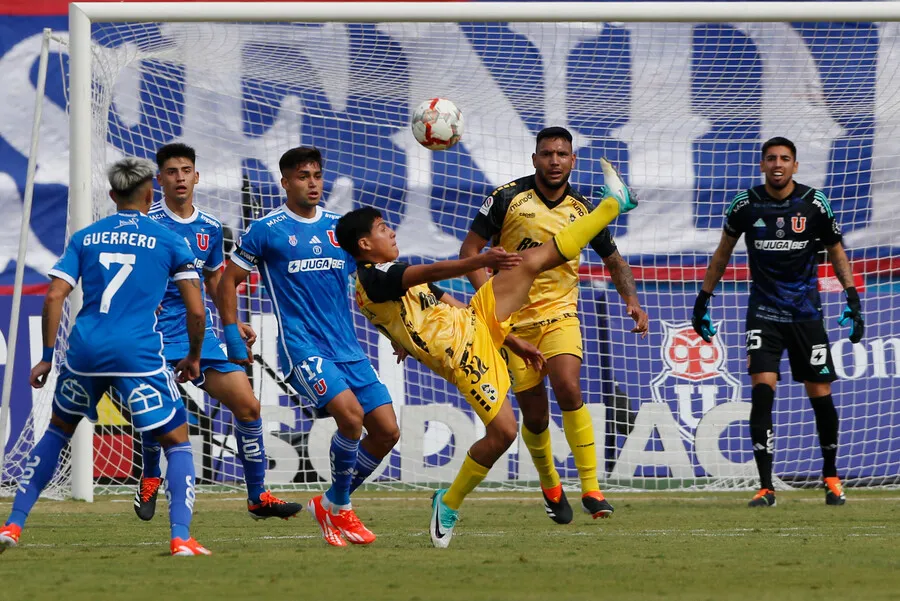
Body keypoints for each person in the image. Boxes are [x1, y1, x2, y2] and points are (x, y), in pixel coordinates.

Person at [336, 157, 637, 548]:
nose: (391, 232)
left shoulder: (383, 277)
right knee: (504, 434)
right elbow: (425, 275)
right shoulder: (375, 277)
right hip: (463, 359)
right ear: (364, 245)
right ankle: (448, 502)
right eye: (382, 229)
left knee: (533, 260)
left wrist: (510, 339)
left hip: (476, 323)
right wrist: (479, 260)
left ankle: (612, 205)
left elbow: (441, 301)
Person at [0, 158, 212, 556]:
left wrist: (47, 356)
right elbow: (196, 311)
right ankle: (181, 536)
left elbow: (54, 296)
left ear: (112, 196)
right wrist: (195, 357)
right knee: (178, 443)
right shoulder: (169, 240)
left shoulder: (86, 236)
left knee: (58, 432)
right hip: (138, 353)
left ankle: (12, 524)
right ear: (151, 193)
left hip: (85, 351)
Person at [459, 126, 648, 523]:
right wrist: (489, 303)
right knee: (537, 417)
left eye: (562, 154)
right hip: (515, 323)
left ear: (572, 160)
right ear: (535, 159)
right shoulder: (508, 198)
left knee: (568, 385)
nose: (555, 161)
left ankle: (592, 489)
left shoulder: (581, 209)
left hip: (561, 313)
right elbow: (470, 251)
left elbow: (613, 259)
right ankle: (551, 486)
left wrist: (631, 300)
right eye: (547, 154)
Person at [218, 147, 399, 547]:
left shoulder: (341, 230)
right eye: (303, 176)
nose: (313, 182)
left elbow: (369, 288)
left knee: (386, 431)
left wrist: (396, 336)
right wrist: (231, 332)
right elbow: (226, 281)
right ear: (285, 182)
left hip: (348, 347)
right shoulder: (267, 230)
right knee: (351, 419)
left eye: (317, 174)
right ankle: (343, 509)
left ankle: (332, 502)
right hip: (303, 348)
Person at [133, 143, 302, 522]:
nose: (180, 177)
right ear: (159, 179)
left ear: (197, 176)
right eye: (172, 171)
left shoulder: (209, 227)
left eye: (186, 170)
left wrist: (234, 320)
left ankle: (258, 496)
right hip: (151, 333)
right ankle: (149, 476)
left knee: (248, 405)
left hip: (199, 333)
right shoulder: (145, 223)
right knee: (160, 413)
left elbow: (214, 279)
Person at [692, 136, 864, 507]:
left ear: (795, 166)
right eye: (771, 158)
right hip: (764, 314)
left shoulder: (814, 203)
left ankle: (831, 477)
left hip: (806, 315)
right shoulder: (746, 205)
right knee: (762, 392)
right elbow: (722, 254)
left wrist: (853, 298)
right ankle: (766, 486)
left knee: (820, 395)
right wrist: (703, 300)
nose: (777, 164)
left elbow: (837, 251)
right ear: (762, 165)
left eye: (785, 158)